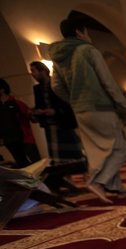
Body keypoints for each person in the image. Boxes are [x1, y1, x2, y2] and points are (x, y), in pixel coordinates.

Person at [50, 18, 126, 204]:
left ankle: (118, 189)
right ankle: (98, 182)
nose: (88, 36)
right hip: (100, 107)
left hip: (80, 110)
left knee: (97, 151)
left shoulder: (59, 58)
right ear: (80, 32)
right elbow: (107, 82)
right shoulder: (88, 50)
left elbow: (56, 86)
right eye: (86, 32)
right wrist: (124, 107)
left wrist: (73, 100)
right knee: (119, 147)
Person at [29, 61, 86, 193]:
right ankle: (69, 184)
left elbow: (68, 104)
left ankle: (86, 181)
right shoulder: (37, 89)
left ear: (42, 70)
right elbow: (40, 105)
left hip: (64, 124)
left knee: (74, 155)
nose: (32, 74)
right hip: (50, 127)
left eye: (34, 70)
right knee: (58, 159)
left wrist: (55, 111)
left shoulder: (56, 84)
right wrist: (36, 112)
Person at [0, 78, 41, 168]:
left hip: (24, 138)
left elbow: (32, 118)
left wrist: (33, 114)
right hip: (10, 141)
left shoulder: (16, 102)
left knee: (37, 163)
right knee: (22, 164)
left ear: (2, 89)